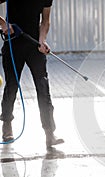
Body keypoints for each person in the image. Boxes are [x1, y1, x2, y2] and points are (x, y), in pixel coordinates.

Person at [0, 0, 64, 148]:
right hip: (13, 44)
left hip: (34, 45)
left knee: (43, 87)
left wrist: (42, 41)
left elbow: (45, 21)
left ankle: (49, 133)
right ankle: (7, 124)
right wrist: (3, 24)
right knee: (12, 86)